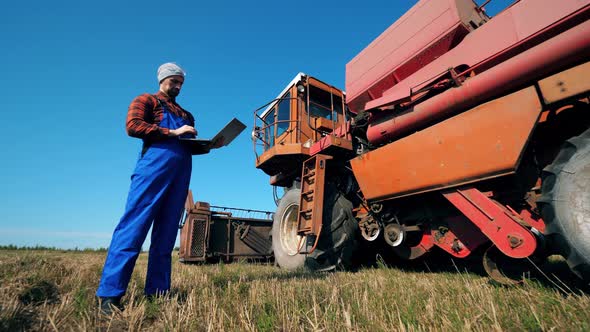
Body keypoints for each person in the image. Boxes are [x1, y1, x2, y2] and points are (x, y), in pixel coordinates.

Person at [96, 62, 197, 314]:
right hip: (153, 168)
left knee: (166, 235)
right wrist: (173, 132)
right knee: (133, 226)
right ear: (162, 79)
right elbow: (133, 126)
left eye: (181, 83)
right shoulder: (147, 100)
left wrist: (209, 144)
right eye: (174, 81)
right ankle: (110, 295)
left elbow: (186, 139)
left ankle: (158, 293)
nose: (178, 86)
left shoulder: (186, 115)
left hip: (181, 171)